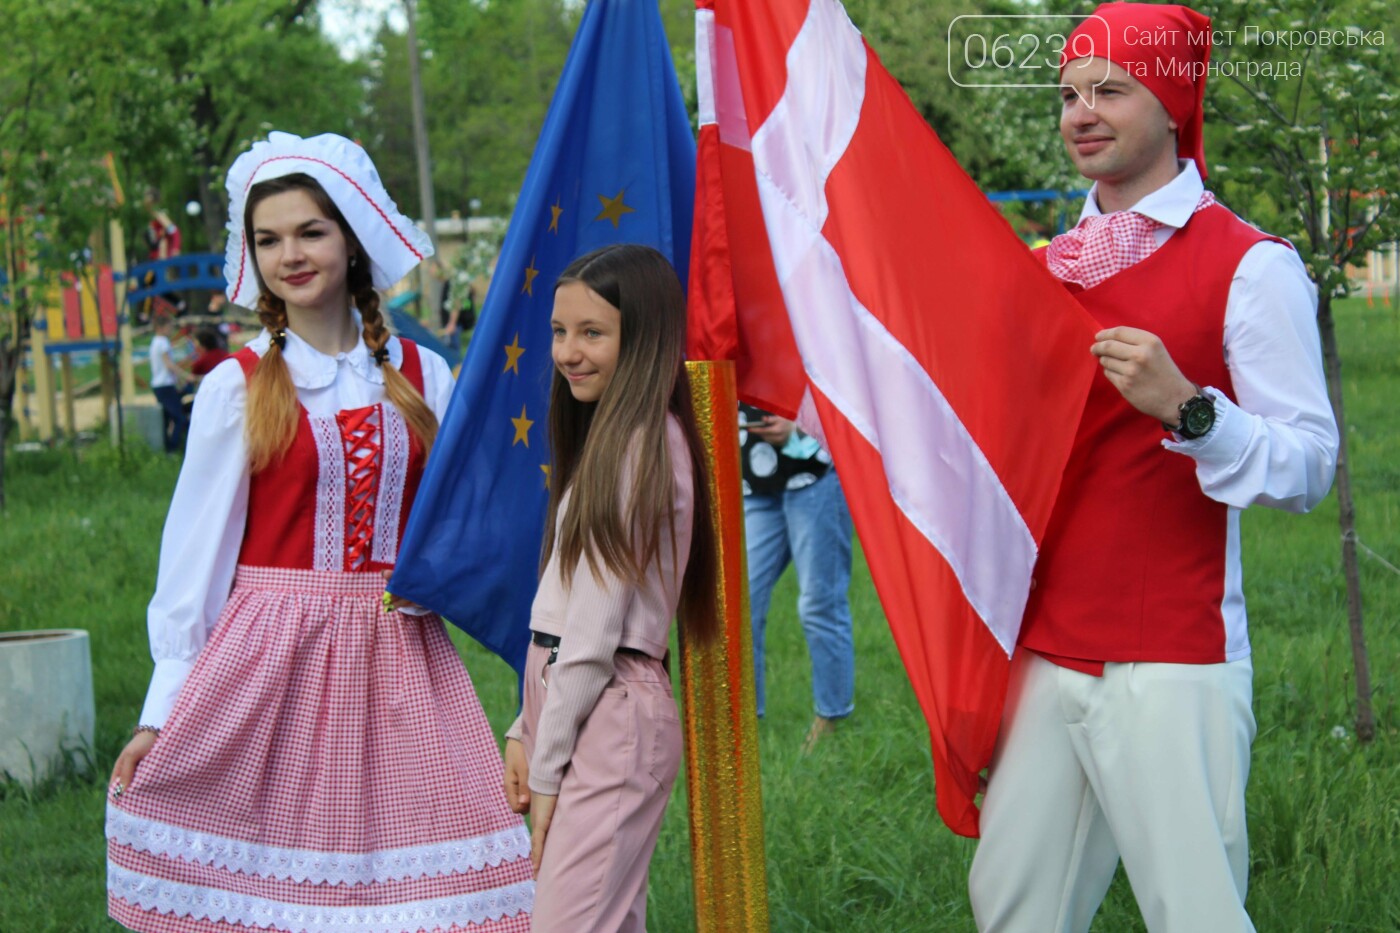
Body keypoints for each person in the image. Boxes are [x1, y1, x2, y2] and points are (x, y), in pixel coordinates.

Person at [967, 6, 1339, 932]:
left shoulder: (1252, 267)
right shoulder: (1044, 267)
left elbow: (1310, 467)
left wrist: (1190, 407)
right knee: (1013, 910)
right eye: (1067, 93)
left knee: (1197, 916)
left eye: (1110, 90)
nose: (1080, 113)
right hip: (1046, 648)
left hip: (1173, 655)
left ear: (1172, 103)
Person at [106, 132, 533, 932]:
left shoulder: (422, 373)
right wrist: (162, 711)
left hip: (404, 656)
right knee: (279, 886)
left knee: (434, 886)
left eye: (309, 231)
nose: (288, 255)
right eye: (267, 239)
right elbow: (194, 561)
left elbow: (475, 527)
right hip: (271, 657)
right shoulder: (239, 388)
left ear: (353, 235)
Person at [501, 243, 719, 931]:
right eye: (561, 331)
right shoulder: (611, 442)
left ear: (644, 336)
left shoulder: (640, 450)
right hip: (580, 703)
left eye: (592, 332)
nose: (569, 351)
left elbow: (592, 637)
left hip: (610, 709)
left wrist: (546, 772)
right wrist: (524, 727)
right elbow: (562, 613)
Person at [739, 402, 855, 751]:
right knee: (741, 605)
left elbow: (841, 378)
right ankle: (745, 724)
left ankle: (832, 719)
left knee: (819, 603)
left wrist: (801, 424)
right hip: (755, 478)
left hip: (815, 472)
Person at [146, 315, 189, 453]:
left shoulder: (154, 342)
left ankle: (164, 447)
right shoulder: (163, 342)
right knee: (179, 418)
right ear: (161, 328)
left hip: (158, 384)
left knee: (165, 418)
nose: (171, 330)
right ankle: (173, 448)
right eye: (169, 327)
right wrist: (185, 375)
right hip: (165, 384)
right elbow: (169, 364)